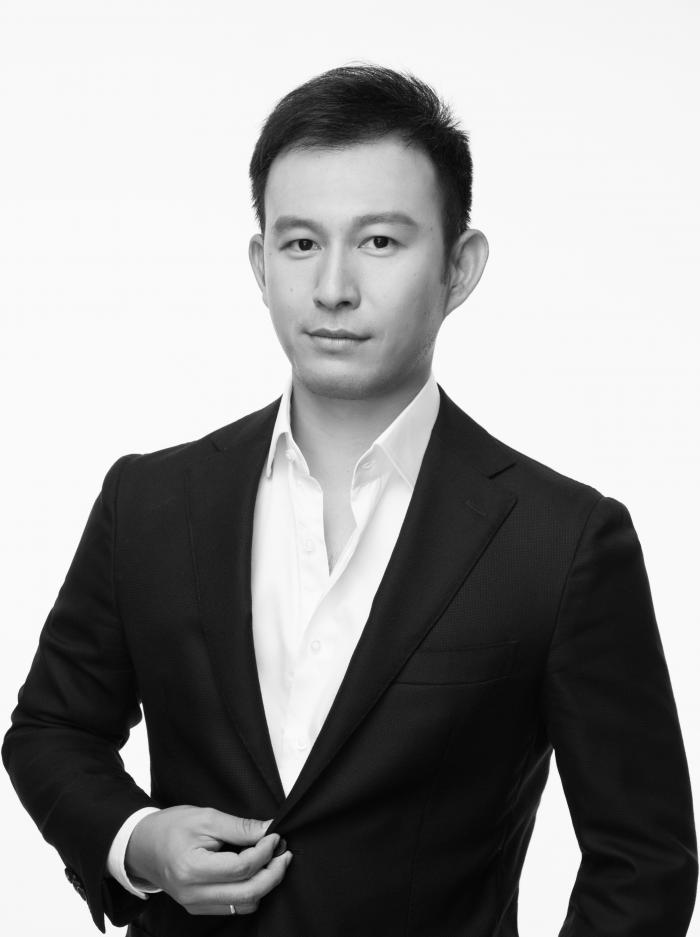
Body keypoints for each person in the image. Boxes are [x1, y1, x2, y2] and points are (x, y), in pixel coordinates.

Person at [3, 64, 697, 937]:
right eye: (300, 244)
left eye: (379, 242)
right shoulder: (148, 502)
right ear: (260, 263)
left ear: (459, 267)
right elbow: (52, 727)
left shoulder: (562, 540)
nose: (332, 287)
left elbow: (643, 860)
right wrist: (138, 841)